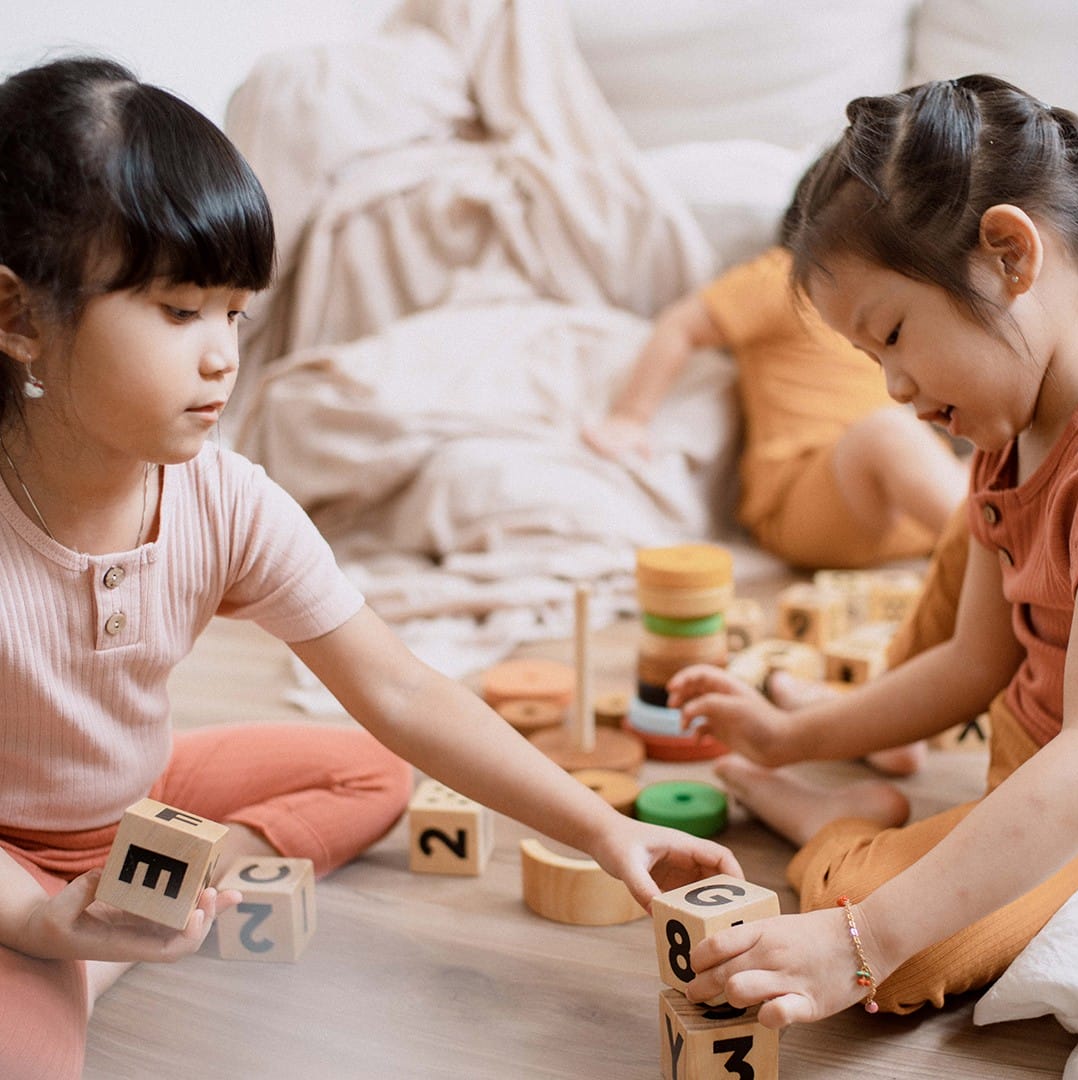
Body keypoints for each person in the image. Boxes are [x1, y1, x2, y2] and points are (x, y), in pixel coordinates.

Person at [0, 57, 742, 1080]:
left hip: (133, 798)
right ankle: (85, 949)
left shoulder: (227, 498)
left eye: (235, 314)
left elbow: (398, 686)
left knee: (367, 768)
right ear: (19, 318)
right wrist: (39, 923)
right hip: (8, 845)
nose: (224, 356)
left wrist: (605, 827)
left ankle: (135, 917)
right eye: (180, 312)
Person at [663, 73, 1078, 1027]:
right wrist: (793, 735)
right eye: (870, 361)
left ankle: (826, 825)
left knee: (889, 955)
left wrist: (863, 942)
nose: (892, 388)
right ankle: (848, 760)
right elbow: (974, 660)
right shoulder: (1002, 435)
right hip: (1029, 758)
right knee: (968, 526)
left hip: (1070, 788)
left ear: (1011, 253)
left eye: (893, 335)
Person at [583, 190, 969, 573]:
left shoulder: (886, 295)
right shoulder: (780, 277)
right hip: (802, 499)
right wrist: (630, 415)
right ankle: (996, 554)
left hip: (903, 512)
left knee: (996, 455)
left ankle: (978, 541)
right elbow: (680, 325)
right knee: (885, 434)